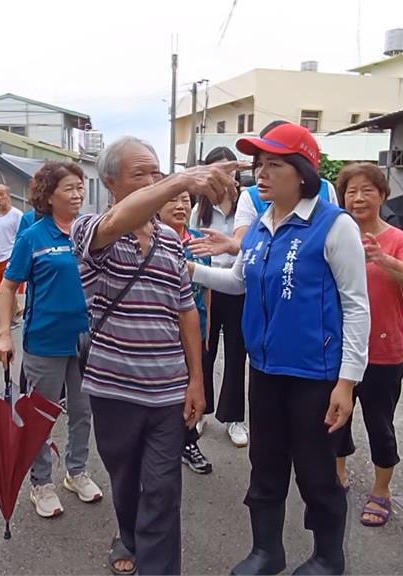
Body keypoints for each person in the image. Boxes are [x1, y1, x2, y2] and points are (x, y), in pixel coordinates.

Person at [189, 122, 370, 575]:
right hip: (266, 370)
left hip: (316, 375)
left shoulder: (334, 225)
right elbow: (237, 281)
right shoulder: (261, 227)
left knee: (316, 472)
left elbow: (357, 307)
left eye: (274, 165)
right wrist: (187, 267)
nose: (260, 175)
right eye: (258, 166)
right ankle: (267, 551)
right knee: (265, 465)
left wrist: (347, 383)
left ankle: (329, 557)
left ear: (303, 172)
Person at [72, 136, 238, 575]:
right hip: (113, 388)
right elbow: (116, 224)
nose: (153, 182)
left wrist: (197, 380)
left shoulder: (170, 240)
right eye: (139, 175)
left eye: (156, 173)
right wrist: (182, 180)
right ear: (111, 183)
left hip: (167, 389)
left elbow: (186, 309)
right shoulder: (91, 228)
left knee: (164, 489)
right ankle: (127, 535)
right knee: (126, 483)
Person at [0, 161, 103, 519]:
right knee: (41, 416)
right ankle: (41, 483)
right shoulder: (33, 236)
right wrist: (4, 333)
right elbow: (8, 286)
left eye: (80, 188)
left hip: (85, 341)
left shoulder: (90, 232)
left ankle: (76, 472)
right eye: (69, 188)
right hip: (44, 340)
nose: (78, 194)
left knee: (83, 411)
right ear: (49, 195)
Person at [333, 163, 403, 527]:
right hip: (339, 348)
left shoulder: (400, 239)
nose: (358, 198)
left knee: (379, 424)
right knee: (335, 419)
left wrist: (382, 258)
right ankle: (337, 475)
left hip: (384, 351)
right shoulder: (335, 235)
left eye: (367, 190)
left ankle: (381, 490)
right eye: (351, 191)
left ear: (383, 195)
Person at [188, 147, 250, 448]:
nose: (225, 176)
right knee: (205, 351)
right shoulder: (197, 210)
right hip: (208, 288)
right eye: (217, 170)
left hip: (240, 287)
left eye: (230, 170)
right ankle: (203, 411)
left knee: (238, 353)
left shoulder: (248, 205)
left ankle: (235, 418)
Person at [157, 190, 214, 475]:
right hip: (161, 335)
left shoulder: (199, 242)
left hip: (195, 329)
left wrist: (208, 329)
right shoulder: (149, 240)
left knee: (193, 387)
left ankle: (189, 443)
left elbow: (206, 288)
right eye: (173, 200)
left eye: (186, 201)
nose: (180, 206)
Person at [0, 184, 24, 293]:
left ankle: (14, 310)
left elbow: (22, 238)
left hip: (10, 257)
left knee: (11, 291)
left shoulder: (17, 215)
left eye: (1, 194)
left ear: (8, 196)